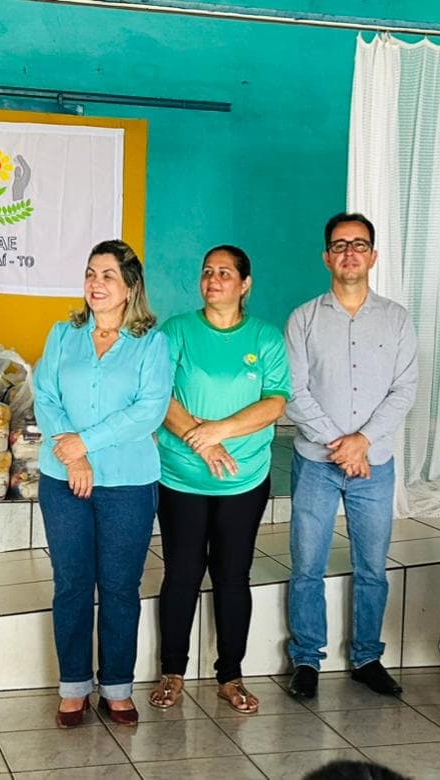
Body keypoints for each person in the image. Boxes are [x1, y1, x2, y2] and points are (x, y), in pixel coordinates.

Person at [33, 239, 172, 728]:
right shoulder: (63, 334)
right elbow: (44, 396)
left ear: (131, 286)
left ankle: (116, 686)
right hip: (61, 479)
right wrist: (72, 455)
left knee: (118, 587)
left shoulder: (152, 343)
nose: (96, 283)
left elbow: (148, 411)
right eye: (91, 273)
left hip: (128, 484)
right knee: (71, 583)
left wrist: (84, 445)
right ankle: (73, 687)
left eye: (108, 275)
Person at [147, 245, 291, 714]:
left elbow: (275, 402)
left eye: (225, 273)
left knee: (233, 577)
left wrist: (219, 432)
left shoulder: (266, 337)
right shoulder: (177, 331)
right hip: (182, 477)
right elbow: (159, 394)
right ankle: (173, 671)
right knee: (182, 575)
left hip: (244, 480)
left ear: (245, 284)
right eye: (207, 271)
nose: (213, 280)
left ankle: (230, 675)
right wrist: (200, 441)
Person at [284, 213, 418, 699]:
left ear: (373, 256)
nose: (349, 254)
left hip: (375, 464)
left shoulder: (396, 318)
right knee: (307, 565)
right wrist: (342, 446)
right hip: (316, 464)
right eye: (339, 246)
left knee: (372, 568)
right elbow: (293, 392)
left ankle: (366, 657)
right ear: (326, 257)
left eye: (359, 245)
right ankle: (305, 660)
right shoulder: (303, 318)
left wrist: (362, 443)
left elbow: (404, 390)